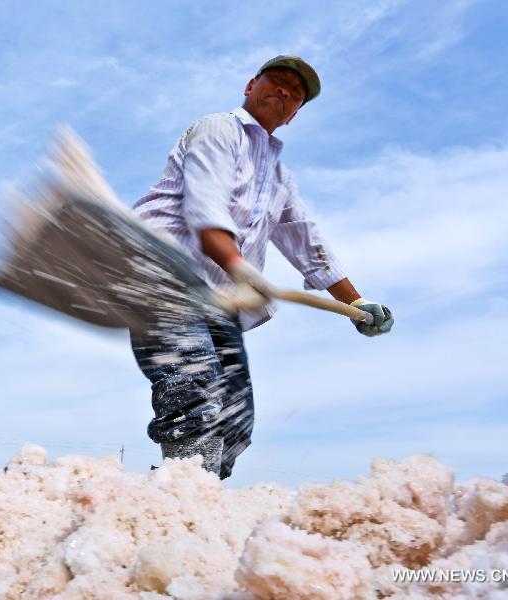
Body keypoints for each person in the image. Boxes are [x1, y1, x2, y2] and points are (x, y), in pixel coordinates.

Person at [130, 55, 393, 479]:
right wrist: (239, 266)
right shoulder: (219, 130)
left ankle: (192, 492)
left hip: (218, 304)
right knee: (193, 394)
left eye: (296, 93)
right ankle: (181, 499)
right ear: (250, 85)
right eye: (278, 80)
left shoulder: (278, 177)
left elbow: (306, 240)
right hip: (164, 279)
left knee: (235, 420)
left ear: (293, 116)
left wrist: (355, 301)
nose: (286, 91)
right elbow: (205, 206)